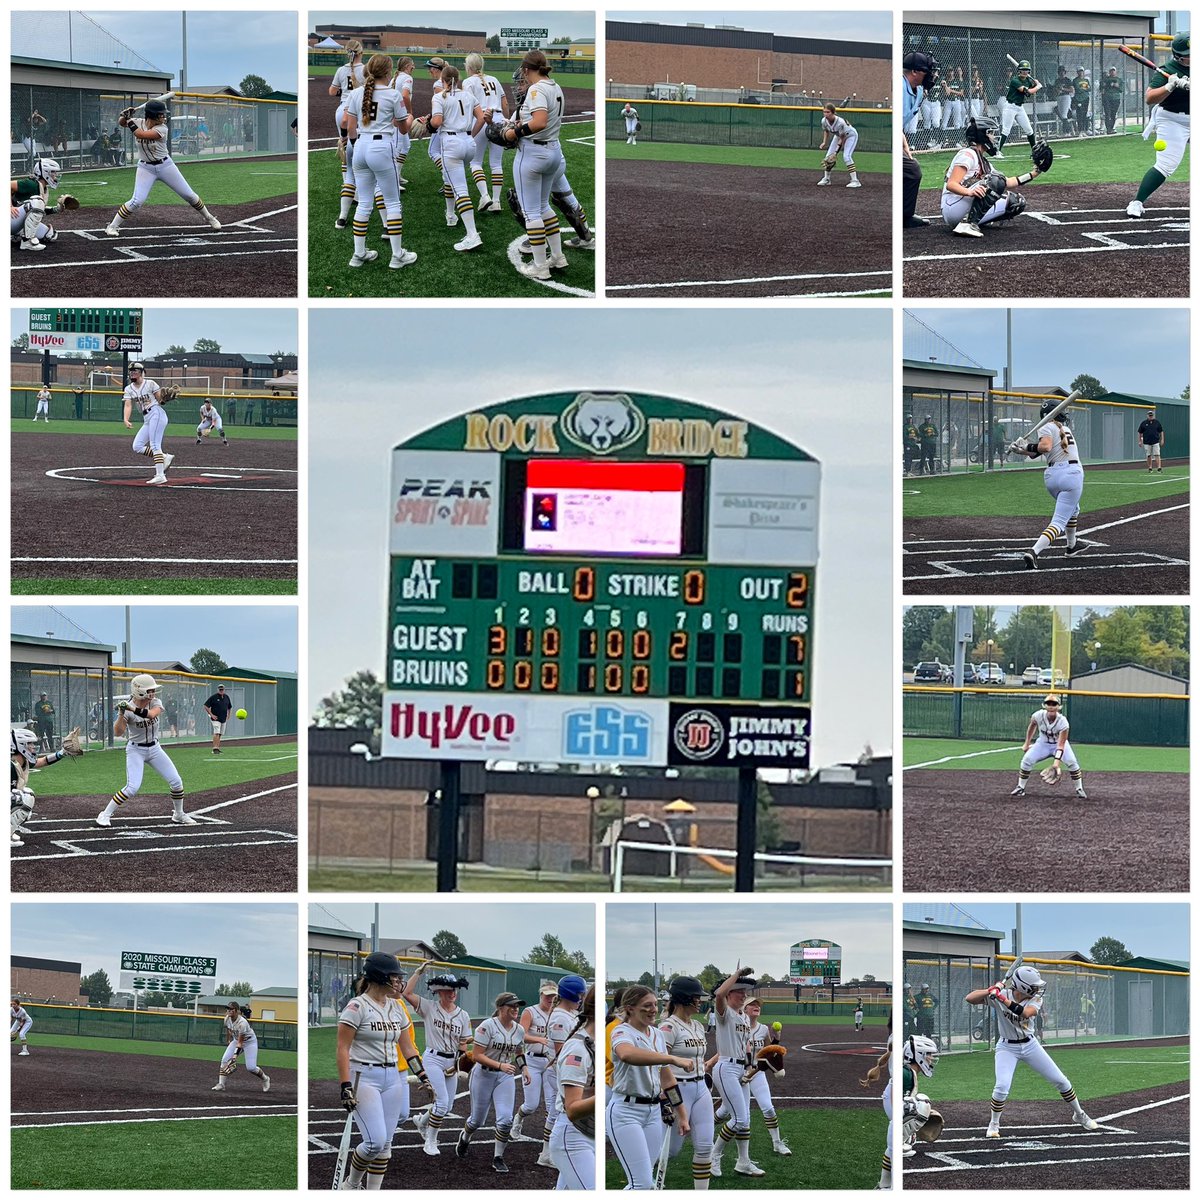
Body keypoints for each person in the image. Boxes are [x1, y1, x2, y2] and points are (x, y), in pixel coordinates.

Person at [965, 964, 1099, 1138]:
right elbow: (970, 998)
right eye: (1034, 986)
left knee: (1061, 1081)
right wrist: (991, 990)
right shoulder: (1001, 994)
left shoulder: (1034, 1000)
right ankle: (994, 1124)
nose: (1037, 989)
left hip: (1030, 1045)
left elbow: (1025, 1013)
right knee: (1002, 1086)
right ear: (1023, 986)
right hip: (1006, 1047)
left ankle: (1079, 1114)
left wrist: (1002, 999)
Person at [337, 951, 431, 1189]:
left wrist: (422, 1075)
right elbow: (342, 1048)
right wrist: (345, 1086)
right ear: (379, 977)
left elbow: (407, 1046)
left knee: (386, 1145)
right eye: (395, 977)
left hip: (393, 1079)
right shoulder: (357, 1006)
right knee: (374, 1142)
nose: (399, 981)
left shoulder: (397, 1007)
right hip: (364, 1077)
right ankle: (350, 1184)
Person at [607, 984, 691, 1190]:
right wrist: (672, 1057)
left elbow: (667, 1079)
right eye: (647, 1005)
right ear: (630, 1008)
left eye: (655, 1004)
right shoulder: (621, 1031)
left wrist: (682, 1115)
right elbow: (627, 1054)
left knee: (645, 1183)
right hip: (626, 1112)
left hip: (653, 1113)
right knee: (643, 1184)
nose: (654, 1009)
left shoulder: (657, 1034)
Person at [103, 99, 220, 237]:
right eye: (160, 115)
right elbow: (122, 123)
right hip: (145, 168)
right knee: (137, 201)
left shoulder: (162, 128)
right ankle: (112, 226)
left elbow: (141, 134)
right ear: (151, 115)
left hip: (165, 165)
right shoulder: (139, 122)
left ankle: (210, 217)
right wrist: (125, 116)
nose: (163, 117)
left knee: (189, 195)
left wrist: (128, 120)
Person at [344, 54, 417, 271]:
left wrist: (359, 144)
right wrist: (411, 119)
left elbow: (349, 127)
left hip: (360, 147)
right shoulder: (393, 94)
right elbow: (403, 128)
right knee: (393, 202)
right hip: (382, 147)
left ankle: (358, 254)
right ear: (388, 72)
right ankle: (397, 255)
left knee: (365, 203)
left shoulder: (357, 93)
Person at [95, 674, 197, 827]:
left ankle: (178, 814)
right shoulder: (128, 709)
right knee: (132, 788)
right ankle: (105, 814)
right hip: (136, 750)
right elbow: (118, 732)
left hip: (155, 748)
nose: (152, 693)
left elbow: (151, 715)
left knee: (176, 782)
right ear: (139, 691)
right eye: (149, 690)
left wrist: (131, 708)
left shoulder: (155, 702)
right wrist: (122, 713)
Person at [503, 50, 567, 281]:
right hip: (553, 150)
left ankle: (540, 265)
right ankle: (557, 256)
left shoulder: (536, 89)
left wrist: (514, 132)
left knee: (531, 212)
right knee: (543, 206)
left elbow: (539, 121)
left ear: (527, 69)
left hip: (534, 152)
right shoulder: (555, 86)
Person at [456, 991, 530, 1174]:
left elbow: (519, 1053)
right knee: (477, 1121)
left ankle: (498, 1157)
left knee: (505, 1120)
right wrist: (500, 1065)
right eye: (511, 1005)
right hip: (483, 1075)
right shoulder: (487, 1026)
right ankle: (465, 1137)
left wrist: (525, 1068)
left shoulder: (518, 1029)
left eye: (517, 1005)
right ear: (500, 1008)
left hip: (504, 1077)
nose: (515, 1009)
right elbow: (478, 1055)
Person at [402, 962, 472, 1156]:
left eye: (454, 989)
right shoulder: (429, 1007)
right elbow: (407, 993)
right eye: (448, 990)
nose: (452, 993)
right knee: (441, 1103)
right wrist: (418, 972)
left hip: (451, 1061)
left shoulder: (463, 1015)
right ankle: (430, 1142)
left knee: (448, 1105)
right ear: (439, 992)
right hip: (433, 1059)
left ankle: (421, 1121)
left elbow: (463, 1042)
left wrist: (459, 1064)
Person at [942, 116, 1051, 237]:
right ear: (982, 134)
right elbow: (951, 185)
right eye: (991, 133)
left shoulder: (982, 161)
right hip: (952, 204)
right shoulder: (968, 154)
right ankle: (968, 223)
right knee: (996, 179)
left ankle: (975, 221)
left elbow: (1007, 182)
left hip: (961, 205)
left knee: (1016, 202)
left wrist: (1036, 172)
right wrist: (969, 192)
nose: (994, 138)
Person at [1012, 398, 1085, 568]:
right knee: (1059, 521)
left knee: (1074, 509)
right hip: (1071, 475)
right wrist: (1024, 447)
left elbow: (1038, 451)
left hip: (1053, 477)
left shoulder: (1047, 427)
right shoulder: (1062, 428)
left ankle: (1071, 546)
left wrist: (1023, 448)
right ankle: (1034, 552)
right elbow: (1044, 447)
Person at [657, 976, 714, 1188]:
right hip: (678, 1090)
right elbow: (660, 1066)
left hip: (701, 1089)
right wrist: (664, 1096)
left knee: (705, 1146)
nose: (700, 1000)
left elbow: (699, 1058)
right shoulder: (668, 1027)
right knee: (671, 1150)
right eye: (696, 997)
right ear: (685, 998)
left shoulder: (698, 1026)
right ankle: (643, 1175)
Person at [1128, 32, 1190, 217]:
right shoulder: (1168, 69)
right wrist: (1169, 86)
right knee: (1166, 165)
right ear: (1178, 56)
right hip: (1173, 120)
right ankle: (1137, 202)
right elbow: (1149, 98)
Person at [710, 967, 763, 1178]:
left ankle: (743, 1162)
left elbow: (747, 1046)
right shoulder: (724, 1013)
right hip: (726, 1068)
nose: (744, 995)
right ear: (730, 992)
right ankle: (713, 1155)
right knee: (739, 1119)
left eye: (745, 992)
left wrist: (750, 1067)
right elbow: (718, 994)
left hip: (741, 1069)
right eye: (739, 991)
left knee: (746, 1120)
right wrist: (737, 974)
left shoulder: (742, 1017)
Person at [430, 65, 484, 253]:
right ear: (458, 79)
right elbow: (481, 117)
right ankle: (451, 215)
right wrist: (471, 134)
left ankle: (472, 234)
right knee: (449, 179)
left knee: (460, 189)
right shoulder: (468, 95)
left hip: (451, 142)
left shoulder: (439, 96)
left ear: (443, 80)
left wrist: (426, 123)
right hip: (468, 142)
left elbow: (436, 122)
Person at [537, 975, 588, 1167]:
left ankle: (548, 1152)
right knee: (556, 1112)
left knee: (557, 1111)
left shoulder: (568, 1014)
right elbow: (561, 1051)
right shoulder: (560, 1016)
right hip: (559, 1070)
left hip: (562, 1069)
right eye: (580, 994)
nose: (582, 998)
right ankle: (546, 1153)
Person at [549, 983, 596, 1190]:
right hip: (574, 1136)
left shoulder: (599, 1044)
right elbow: (573, 1108)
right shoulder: (578, 1049)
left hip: (589, 1132)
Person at [12, 725, 82, 848]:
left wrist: (62, 753)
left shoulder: (23, 761)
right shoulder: (9, 765)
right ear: (21, 745)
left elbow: (42, 761)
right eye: (30, 744)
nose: (33, 747)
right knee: (22, 799)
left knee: (26, 796)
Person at [737, 997, 791, 1157]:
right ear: (745, 1009)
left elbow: (769, 1051)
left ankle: (777, 1143)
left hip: (757, 1074)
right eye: (752, 1004)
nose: (756, 1007)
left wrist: (777, 1038)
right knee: (731, 1113)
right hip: (739, 1074)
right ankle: (710, 1140)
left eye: (758, 1005)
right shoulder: (738, 1027)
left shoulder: (763, 1029)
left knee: (768, 1108)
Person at [1011, 693, 1087, 799]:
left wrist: (1056, 764)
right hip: (1043, 744)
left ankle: (1079, 789)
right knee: (1027, 760)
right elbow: (1032, 726)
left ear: (1059, 706)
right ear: (1044, 705)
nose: (1051, 706)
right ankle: (1020, 787)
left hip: (1059, 744)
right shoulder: (1038, 715)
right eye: (1048, 703)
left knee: (1072, 763)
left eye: (1054, 704)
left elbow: (1061, 745)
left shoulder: (1063, 722)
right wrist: (1027, 743)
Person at [464, 53, 509, 214]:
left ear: (468, 66)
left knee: (475, 163)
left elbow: (468, 106)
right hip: (499, 120)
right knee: (496, 164)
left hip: (481, 119)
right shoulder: (494, 79)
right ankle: (496, 201)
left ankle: (485, 196)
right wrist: (506, 120)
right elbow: (504, 103)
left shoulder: (468, 82)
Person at [516, 981, 559, 1144]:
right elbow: (521, 1034)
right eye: (547, 995)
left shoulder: (557, 1014)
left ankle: (549, 1143)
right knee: (531, 1105)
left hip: (550, 1063)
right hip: (532, 1061)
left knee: (552, 1106)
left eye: (553, 996)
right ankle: (518, 1119)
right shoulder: (530, 1012)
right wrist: (539, 1039)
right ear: (541, 995)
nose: (550, 999)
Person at [330, 40, 366, 229]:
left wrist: (345, 135)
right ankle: (359, 196)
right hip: (357, 114)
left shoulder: (341, 70)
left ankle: (343, 214)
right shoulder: (365, 71)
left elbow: (332, 91)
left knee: (347, 157)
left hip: (342, 110)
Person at [122, 362, 174, 485]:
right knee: (137, 446)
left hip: (156, 413)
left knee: (155, 444)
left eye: (135, 371)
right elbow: (128, 405)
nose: (132, 373)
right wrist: (126, 419)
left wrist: (165, 399)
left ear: (142, 372)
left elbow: (159, 399)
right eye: (131, 371)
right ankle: (164, 457)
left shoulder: (150, 384)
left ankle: (160, 475)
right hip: (147, 418)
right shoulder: (129, 388)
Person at [901, 52, 938, 228]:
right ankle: (903, 216)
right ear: (915, 72)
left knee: (911, 170)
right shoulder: (900, 88)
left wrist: (904, 144)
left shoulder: (919, 90)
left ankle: (904, 215)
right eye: (927, 71)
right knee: (911, 170)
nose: (931, 75)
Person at [10, 157, 71, 252]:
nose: (55, 175)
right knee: (36, 202)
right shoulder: (31, 184)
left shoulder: (43, 189)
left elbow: (37, 210)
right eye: (53, 172)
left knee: (49, 234)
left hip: (15, 220)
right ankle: (27, 242)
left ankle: (16, 235)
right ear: (46, 172)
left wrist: (57, 209)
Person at [859, 1016, 893, 1188]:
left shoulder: (893, 1037)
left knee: (894, 1141)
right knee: (896, 1137)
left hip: (892, 1090)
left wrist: (877, 1067)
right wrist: (877, 1067)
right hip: (894, 1090)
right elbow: (889, 1054)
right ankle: (887, 1186)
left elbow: (887, 1055)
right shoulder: (894, 1037)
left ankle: (884, 1185)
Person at [213, 1000, 270, 1092]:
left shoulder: (242, 1023)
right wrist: (229, 1040)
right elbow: (229, 1030)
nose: (228, 1010)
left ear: (236, 1010)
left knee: (251, 1067)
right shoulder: (227, 1019)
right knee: (224, 1060)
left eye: (230, 1009)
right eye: (227, 1008)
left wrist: (235, 1056)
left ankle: (265, 1078)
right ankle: (221, 1084)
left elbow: (241, 1042)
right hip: (236, 1040)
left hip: (249, 1042)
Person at [901, 1034, 939, 1159]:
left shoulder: (909, 1072)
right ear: (919, 1055)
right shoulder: (906, 1074)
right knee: (923, 1103)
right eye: (929, 1054)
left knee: (920, 1105)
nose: (931, 1059)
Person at [994, 60, 1042, 159]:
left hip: (1019, 107)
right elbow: (1026, 91)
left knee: (1029, 130)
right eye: (1023, 70)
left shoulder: (1028, 80)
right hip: (1010, 107)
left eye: (1026, 70)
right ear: (1019, 71)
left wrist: (1035, 84)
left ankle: (1034, 151)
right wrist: (1037, 87)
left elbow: (1029, 93)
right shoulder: (1015, 80)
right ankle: (997, 151)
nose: (1025, 72)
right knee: (1006, 130)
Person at [817, 105, 861, 187]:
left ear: (833, 113)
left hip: (850, 135)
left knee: (846, 156)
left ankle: (855, 181)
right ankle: (826, 179)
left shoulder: (840, 122)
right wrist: (824, 142)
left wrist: (836, 152)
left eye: (828, 112)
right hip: (838, 136)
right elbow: (826, 131)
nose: (826, 114)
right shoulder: (824, 121)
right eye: (824, 112)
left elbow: (842, 138)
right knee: (828, 157)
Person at [390, 57, 417, 192]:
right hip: (398, 116)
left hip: (394, 114)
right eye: (412, 65)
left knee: (405, 146)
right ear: (407, 66)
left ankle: (397, 175)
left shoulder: (395, 78)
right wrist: (409, 112)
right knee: (398, 147)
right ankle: (393, 180)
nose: (414, 67)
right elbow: (405, 96)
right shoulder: (407, 78)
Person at [203, 683, 234, 754]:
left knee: (220, 734)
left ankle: (217, 747)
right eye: (220, 689)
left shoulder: (226, 697)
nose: (221, 690)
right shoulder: (214, 697)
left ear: (224, 690)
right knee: (216, 732)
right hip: (215, 718)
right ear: (218, 690)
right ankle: (214, 748)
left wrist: (228, 715)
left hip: (223, 719)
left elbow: (229, 707)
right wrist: (211, 714)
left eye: (222, 689)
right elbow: (206, 706)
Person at [1138, 407, 1165, 471]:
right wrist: (1139, 441)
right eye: (1149, 415)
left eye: (1151, 415)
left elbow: (1161, 431)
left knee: (1157, 454)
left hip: (1155, 441)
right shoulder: (1143, 423)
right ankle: (1150, 467)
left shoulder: (1157, 422)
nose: (1150, 416)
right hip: (1147, 442)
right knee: (1148, 455)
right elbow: (1139, 432)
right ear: (1147, 416)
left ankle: (1159, 467)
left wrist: (1162, 439)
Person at [1101, 67, 1123, 134]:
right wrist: (1108, 84)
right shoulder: (1106, 79)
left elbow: (1121, 90)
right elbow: (1102, 87)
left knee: (1113, 114)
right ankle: (1108, 129)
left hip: (1116, 98)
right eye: (1111, 71)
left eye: (1114, 71)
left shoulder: (1119, 79)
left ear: (1116, 72)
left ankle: (1112, 128)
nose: (1112, 72)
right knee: (1107, 113)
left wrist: (1117, 86)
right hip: (1107, 98)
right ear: (1109, 72)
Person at [1054, 67, 1075, 134]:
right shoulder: (1057, 81)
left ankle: (1067, 132)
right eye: (1060, 71)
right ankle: (1066, 131)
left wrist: (1063, 89)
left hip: (1066, 97)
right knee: (1062, 115)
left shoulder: (1067, 80)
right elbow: (1055, 90)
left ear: (1065, 72)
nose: (1061, 73)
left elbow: (1072, 90)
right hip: (1059, 97)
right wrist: (1057, 91)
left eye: (1063, 71)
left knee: (1064, 115)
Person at [1072, 68, 1092, 136]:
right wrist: (1085, 87)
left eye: (1082, 71)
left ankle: (1084, 130)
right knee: (1079, 115)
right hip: (1079, 99)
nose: (1081, 72)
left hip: (1086, 98)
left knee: (1084, 114)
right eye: (1079, 71)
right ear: (1077, 72)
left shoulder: (1086, 80)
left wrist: (1083, 87)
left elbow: (1089, 89)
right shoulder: (1075, 80)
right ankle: (1080, 130)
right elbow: (1078, 88)